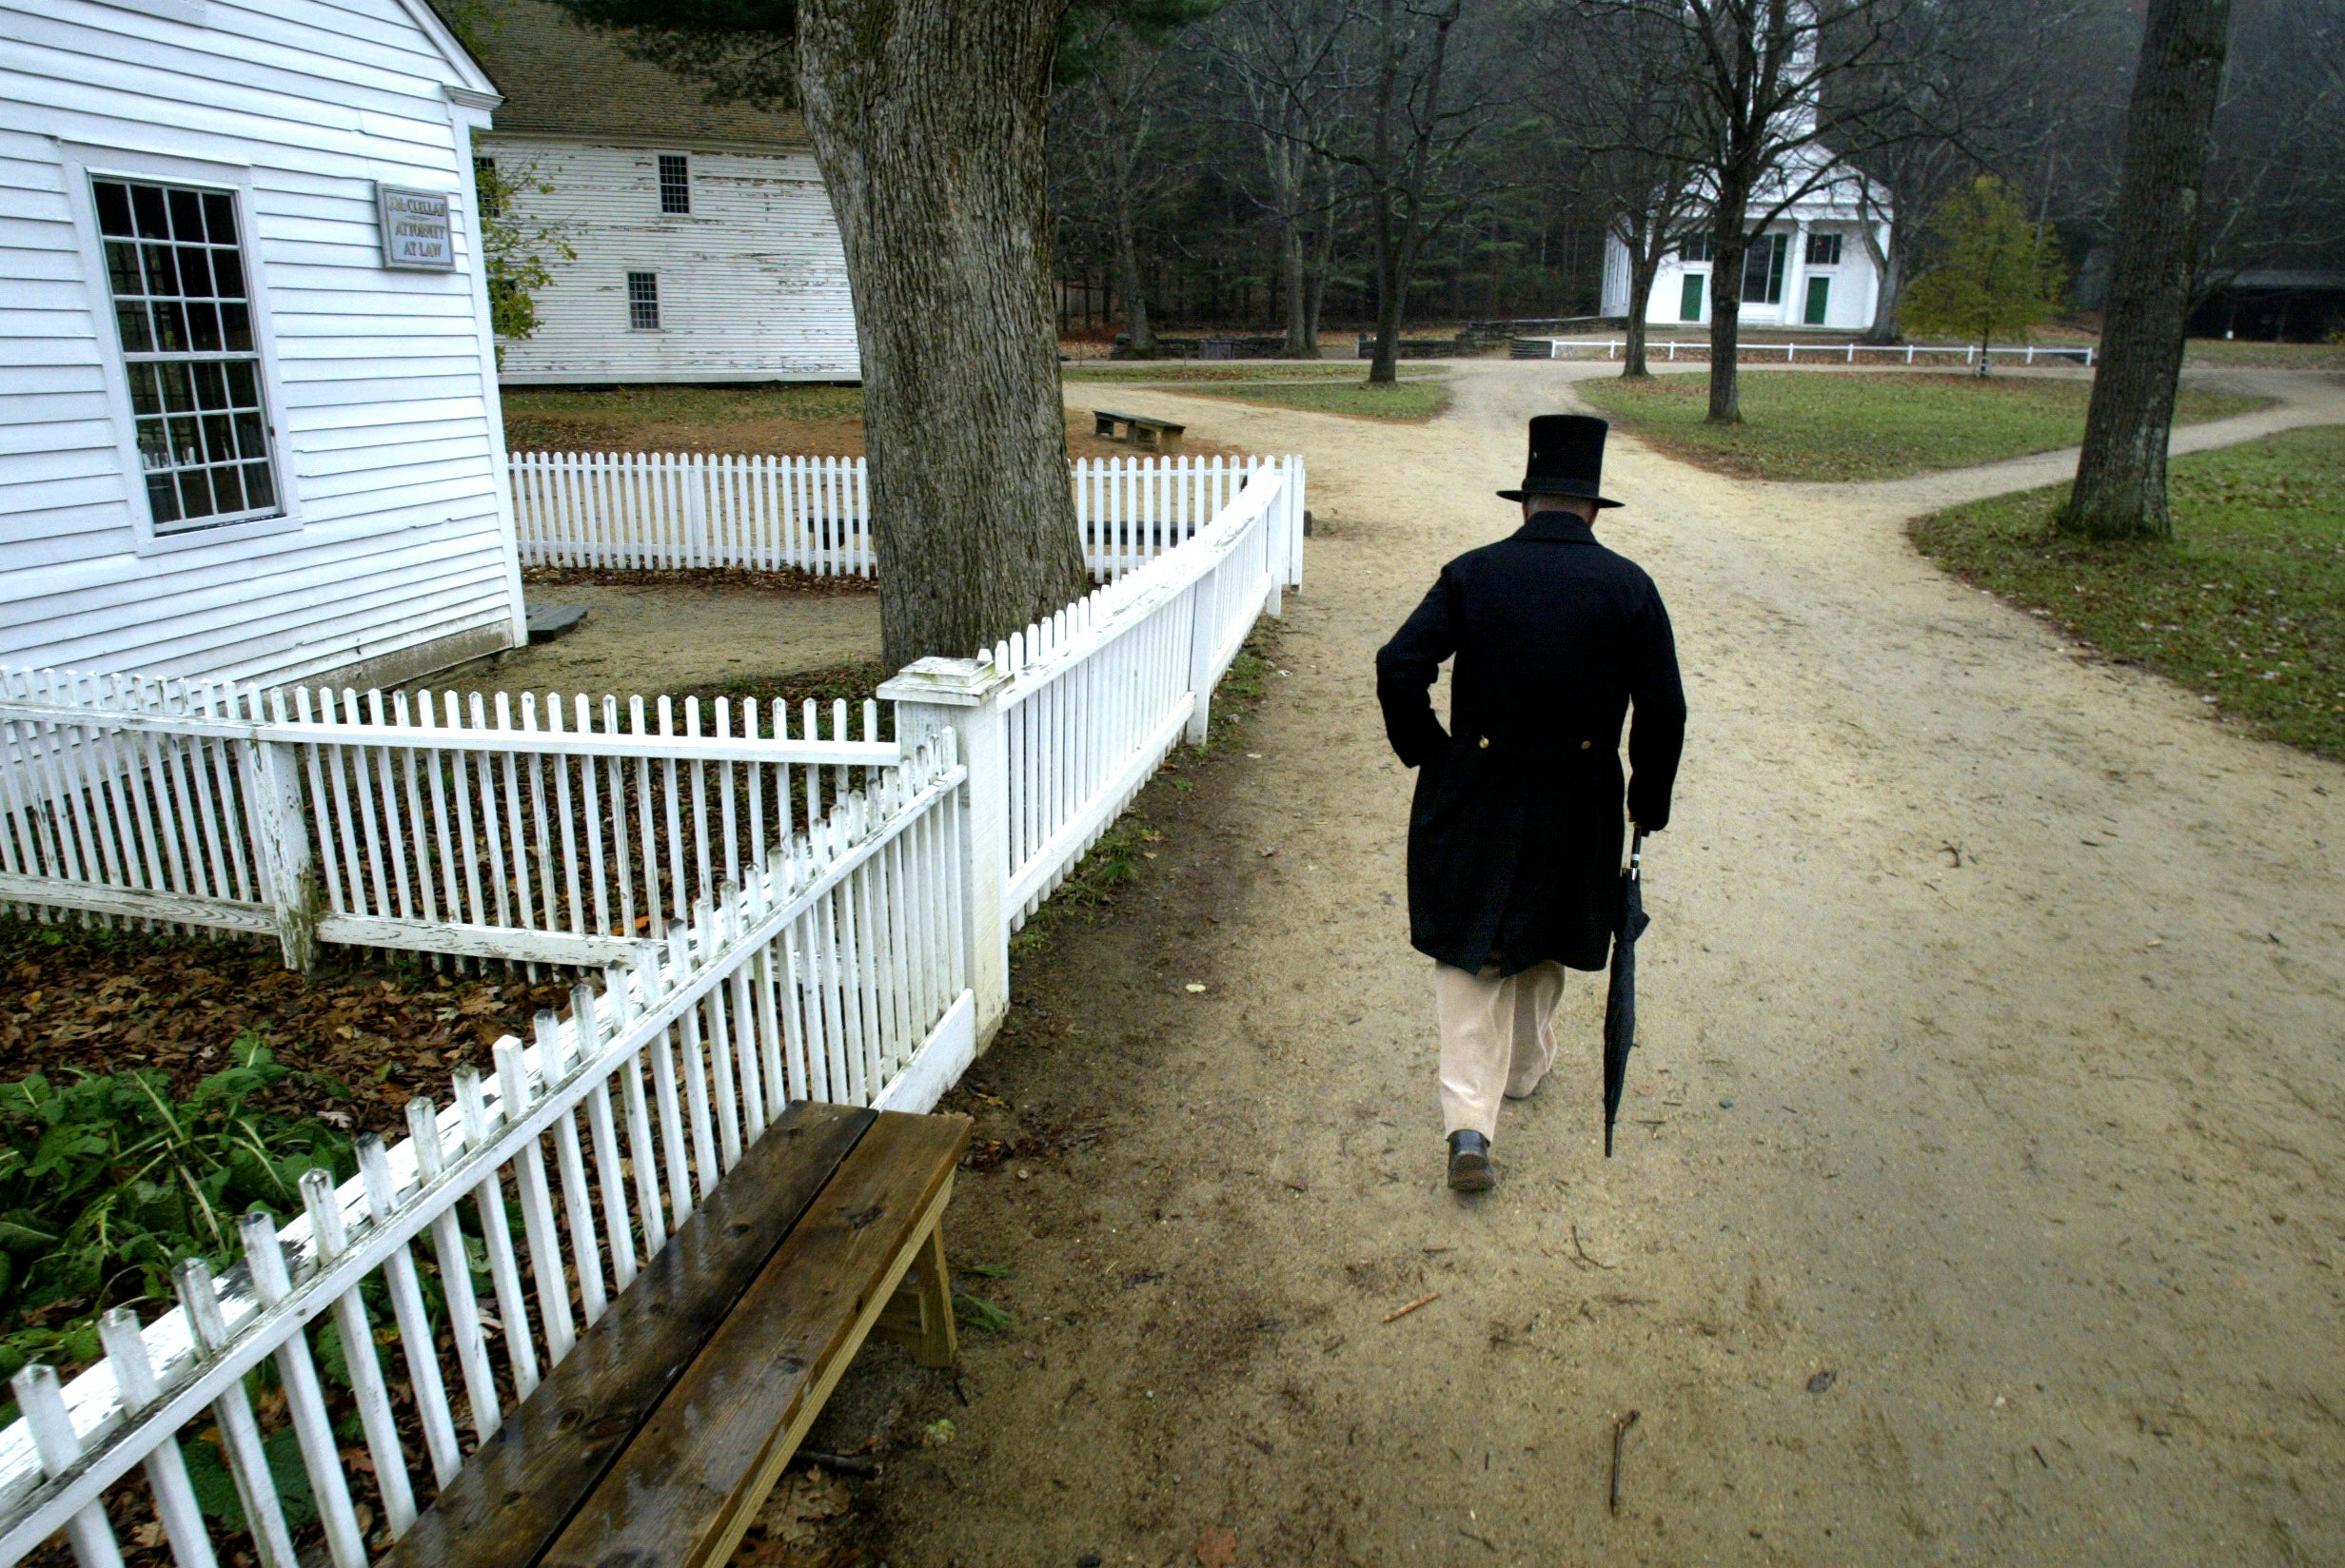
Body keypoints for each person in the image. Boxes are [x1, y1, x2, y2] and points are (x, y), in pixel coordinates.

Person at [1375, 414, 1685, 1193]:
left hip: (1477, 786)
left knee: (1472, 949)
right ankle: (1521, 1073)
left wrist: (1431, 751)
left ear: (1526, 504)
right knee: (1546, 937)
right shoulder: (1630, 588)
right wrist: (1647, 800)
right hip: (1579, 800)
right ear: (1590, 508)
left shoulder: (1472, 574)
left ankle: (1470, 1121)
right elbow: (1665, 709)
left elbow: (1398, 664)